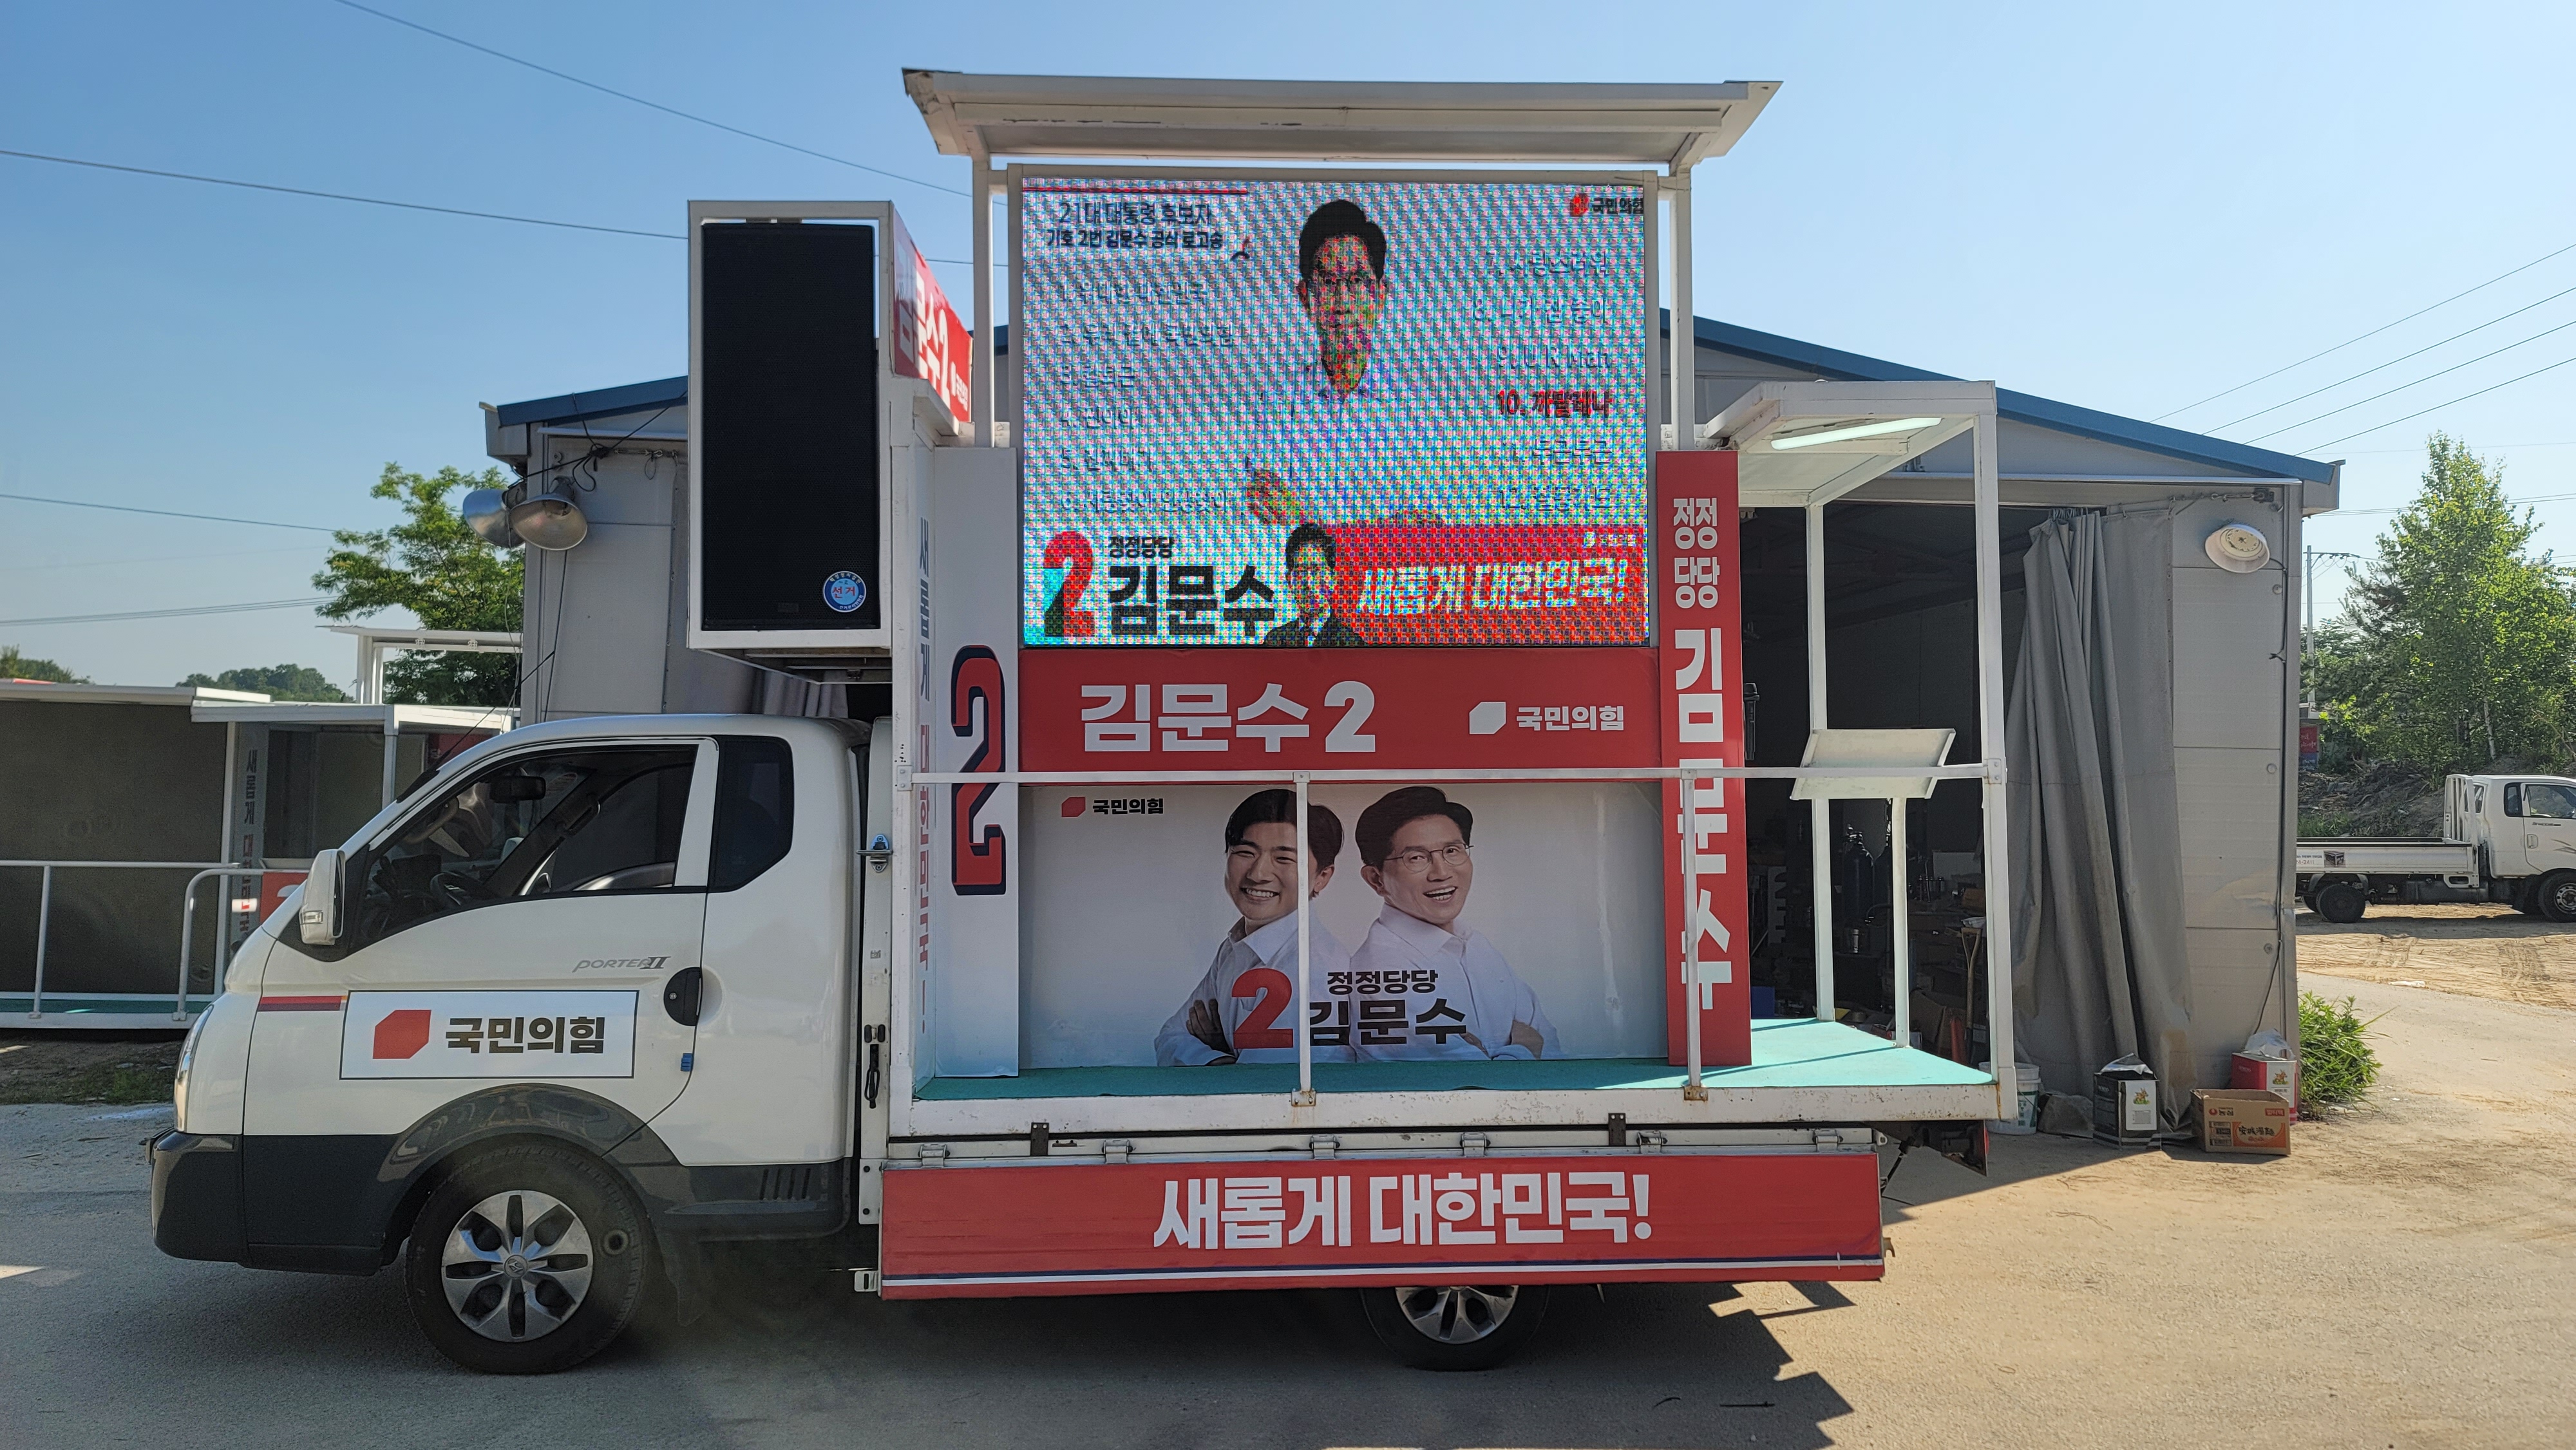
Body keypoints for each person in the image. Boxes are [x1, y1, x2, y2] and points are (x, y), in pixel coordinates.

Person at [1241, 199, 1443, 531]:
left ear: (1380, 295)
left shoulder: (1415, 407)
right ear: (1305, 296)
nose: (1342, 302)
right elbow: (1268, 508)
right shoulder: (1278, 404)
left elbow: (1427, 524)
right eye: (1327, 283)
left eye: (1357, 281)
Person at [1344, 786, 1559, 1061]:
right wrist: (1524, 1048)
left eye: (1452, 850)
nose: (1442, 872)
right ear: (1377, 879)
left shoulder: (1474, 942)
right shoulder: (1382, 971)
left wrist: (1505, 1056)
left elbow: (1549, 1044)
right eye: (1416, 858)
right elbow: (1469, 1079)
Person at [1154, 790, 1354, 1066]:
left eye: (1284, 859)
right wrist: (1220, 1061)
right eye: (1245, 853)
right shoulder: (1236, 946)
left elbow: (1269, 1085)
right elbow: (1170, 1037)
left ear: (1322, 876)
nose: (1258, 874)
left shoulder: (1312, 966)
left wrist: (1218, 1058)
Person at [1262, 523, 1365, 647]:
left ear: (1334, 578)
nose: (1309, 583)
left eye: (1317, 570)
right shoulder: (1275, 641)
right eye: (1301, 572)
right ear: (1289, 580)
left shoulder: (1351, 644)